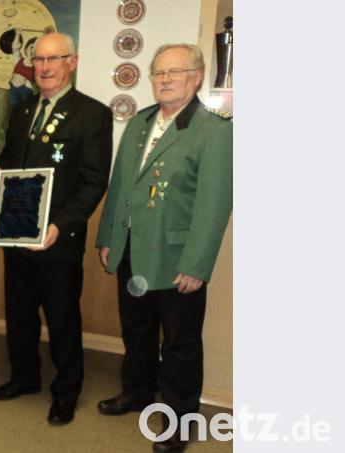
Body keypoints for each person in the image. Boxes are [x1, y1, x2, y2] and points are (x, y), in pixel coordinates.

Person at [95, 43, 232, 453]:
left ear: (197, 77)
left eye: (175, 71)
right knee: (136, 331)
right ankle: (137, 393)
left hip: (176, 259)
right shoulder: (139, 123)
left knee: (179, 343)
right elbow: (120, 187)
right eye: (159, 73)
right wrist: (108, 237)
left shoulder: (215, 129)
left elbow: (214, 204)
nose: (165, 79)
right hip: (133, 250)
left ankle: (179, 422)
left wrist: (197, 264)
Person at [0, 32, 113, 426]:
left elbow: (93, 182)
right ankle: (24, 378)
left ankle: (66, 391)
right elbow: (10, 159)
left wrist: (60, 224)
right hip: (17, 231)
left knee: (61, 319)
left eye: (53, 59)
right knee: (19, 313)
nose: (44, 67)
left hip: (58, 239)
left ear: (71, 62)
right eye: (39, 60)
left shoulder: (91, 114)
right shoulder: (23, 110)